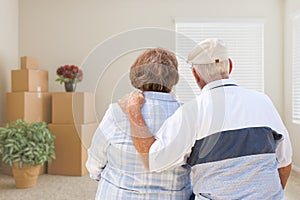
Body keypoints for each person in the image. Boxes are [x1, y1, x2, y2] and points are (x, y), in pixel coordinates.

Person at [121, 39, 293, 200]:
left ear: (195, 74)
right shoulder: (263, 101)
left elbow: (153, 160)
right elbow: (284, 164)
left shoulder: (191, 112)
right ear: (230, 66)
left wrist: (133, 112)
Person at [86, 48, 192, 199]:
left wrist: (98, 176)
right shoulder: (187, 115)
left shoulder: (116, 111)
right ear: (173, 77)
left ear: (137, 75)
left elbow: (96, 159)